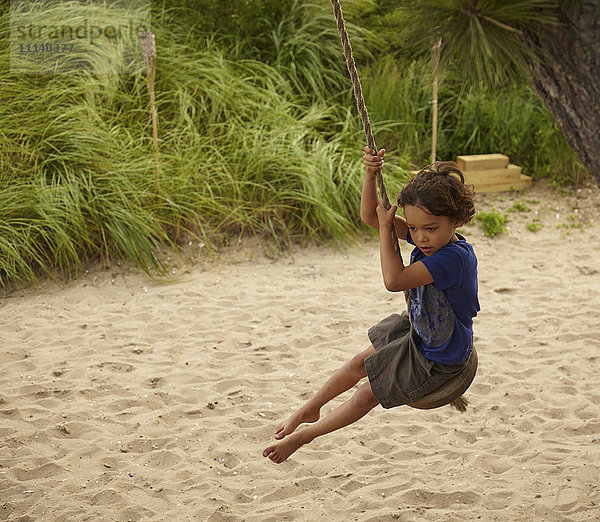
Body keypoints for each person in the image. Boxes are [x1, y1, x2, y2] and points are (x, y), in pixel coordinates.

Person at [263, 147, 479, 464]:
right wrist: (370, 175)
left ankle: (303, 437)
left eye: (429, 228)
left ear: (456, 220)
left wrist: (385, 229)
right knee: (357, 363)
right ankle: (310, 408)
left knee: (365, 394)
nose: (420, 238)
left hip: (440, 358)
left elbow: (394, 280)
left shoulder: (452, 259)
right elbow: (370, 216)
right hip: (420, 331)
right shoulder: (431, 237)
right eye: (414, 228)